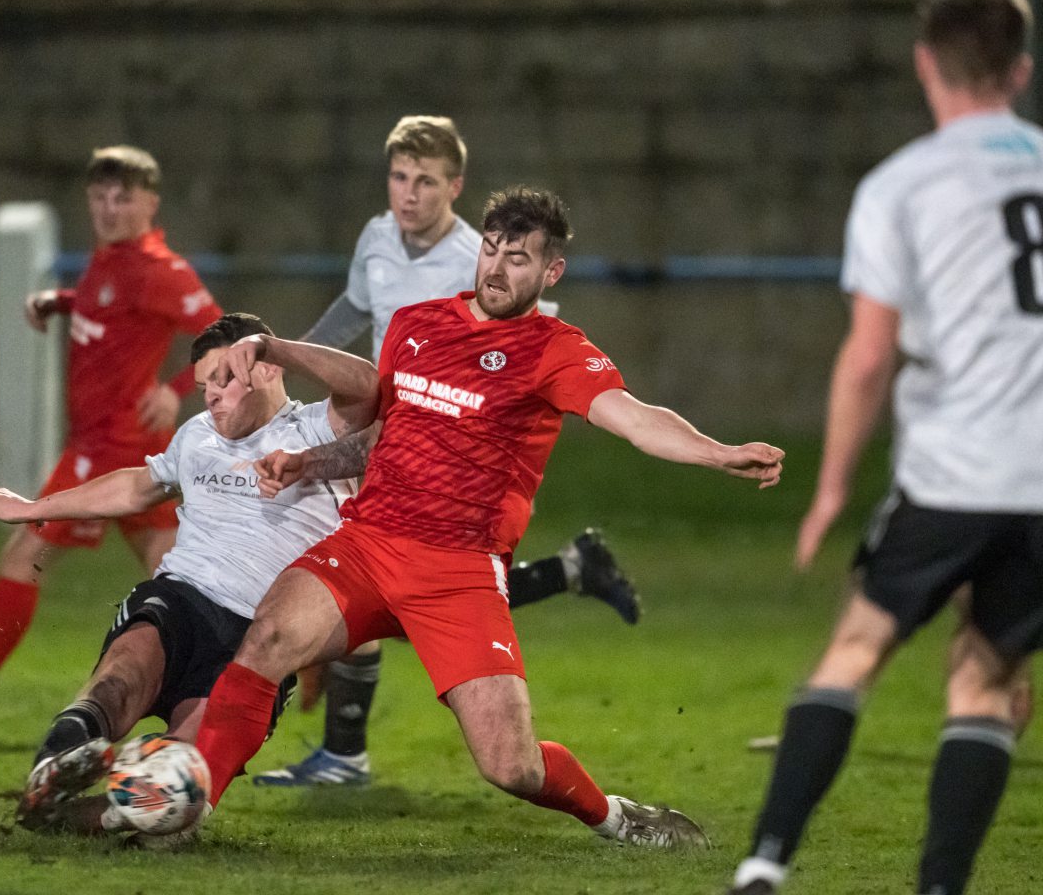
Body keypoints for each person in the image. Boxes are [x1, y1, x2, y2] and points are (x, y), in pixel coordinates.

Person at [192, 186, 784, 849]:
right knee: (267, 641)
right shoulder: (417, 325)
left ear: (551, 272)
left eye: (520, 259)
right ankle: (188, 811)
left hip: (459, 572)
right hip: (371, 543)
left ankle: (618, 817)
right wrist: (311, 465)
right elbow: (387, 434)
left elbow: (637, 419)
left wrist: (719, 453)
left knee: (512, 765)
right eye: (492, 251)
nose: (498, 269)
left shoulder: (554, 350)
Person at [729, 0, 1043, 895]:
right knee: (984, 685)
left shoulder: (901, 186)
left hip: (960, 466)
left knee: (857, 647)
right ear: (1021, 69)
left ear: (924, 65)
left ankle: (763, 868)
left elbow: (869, 357)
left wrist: (831, 488)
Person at [256, 115, 641, 789]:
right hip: (378, 429)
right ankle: (335, 743)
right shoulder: (377, 236)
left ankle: (339, 747)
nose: (408, 195)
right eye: (399, 178)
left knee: (406, 592)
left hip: (436, 445)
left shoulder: (478, 260)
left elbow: (517, 346)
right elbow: (353, 308)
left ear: (454, 187)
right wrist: (296, 363)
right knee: (366, 590)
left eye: (425, 182)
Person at [0, 312, 379, 834]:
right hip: (182, 600)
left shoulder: (319, 430)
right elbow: (139, 486)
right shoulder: (198, 435)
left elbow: (367, 384)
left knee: (177, 793)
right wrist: (33, 507)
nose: (211, 396)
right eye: (205, 385)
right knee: (117, 684)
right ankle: (48, 774)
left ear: (267, 371)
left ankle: (80, 818)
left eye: (225, 379)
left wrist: (278, 346)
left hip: (262, 640)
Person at [0, 146, 224, 737]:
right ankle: (210, 707)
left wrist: (175, 388)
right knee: (180, 581)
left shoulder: (161, 269)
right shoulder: (112, 259)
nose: (109, 209)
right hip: (121, 447)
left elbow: (224, 335)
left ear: (151, 202)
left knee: (24, 554)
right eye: (99, 198)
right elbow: (115, 314)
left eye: (123, 198)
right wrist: (62, 302)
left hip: (112, 450)